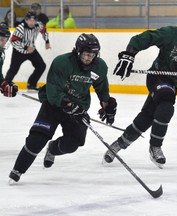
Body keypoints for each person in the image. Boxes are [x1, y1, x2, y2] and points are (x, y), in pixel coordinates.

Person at [103, 7, 177, 169]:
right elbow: (142, 38)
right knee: (167, 104)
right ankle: (155, 146)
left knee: (147, 116)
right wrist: (128, 56)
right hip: (157, 77)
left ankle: (118, 144)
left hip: (174, 82)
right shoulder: (170, 34)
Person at [8, 33, 117, 183]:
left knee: (72, 144)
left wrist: (108, 105)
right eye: (85, 54)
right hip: (54, 106)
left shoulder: (100, 67)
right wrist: (70, 106)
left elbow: (102, 89)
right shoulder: (62, 63)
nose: (88, 58)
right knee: (37, 139)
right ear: (78, 51)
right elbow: (53, 93)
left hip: (78, 107)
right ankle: (18, 170)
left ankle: (52, 149)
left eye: (92, 55)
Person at [4, 11, 51, 90]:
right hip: (19, 52)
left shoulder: (38, 25)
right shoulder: (20, 28)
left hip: (31, 50)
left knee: (41, 66)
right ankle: (5, 85)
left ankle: (31, 84)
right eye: (29, 20)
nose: (32, 22)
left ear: (36, 21)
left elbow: (44, 30)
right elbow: (13, 41)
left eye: (33, 20)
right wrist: (25, 47)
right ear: (26, 20)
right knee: (13, 69)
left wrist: (47, 41)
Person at [0, 23, 18, 97]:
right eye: (1, 39)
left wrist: (5, 83)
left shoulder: (1, 53)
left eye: (6, 40)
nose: (4, 43)